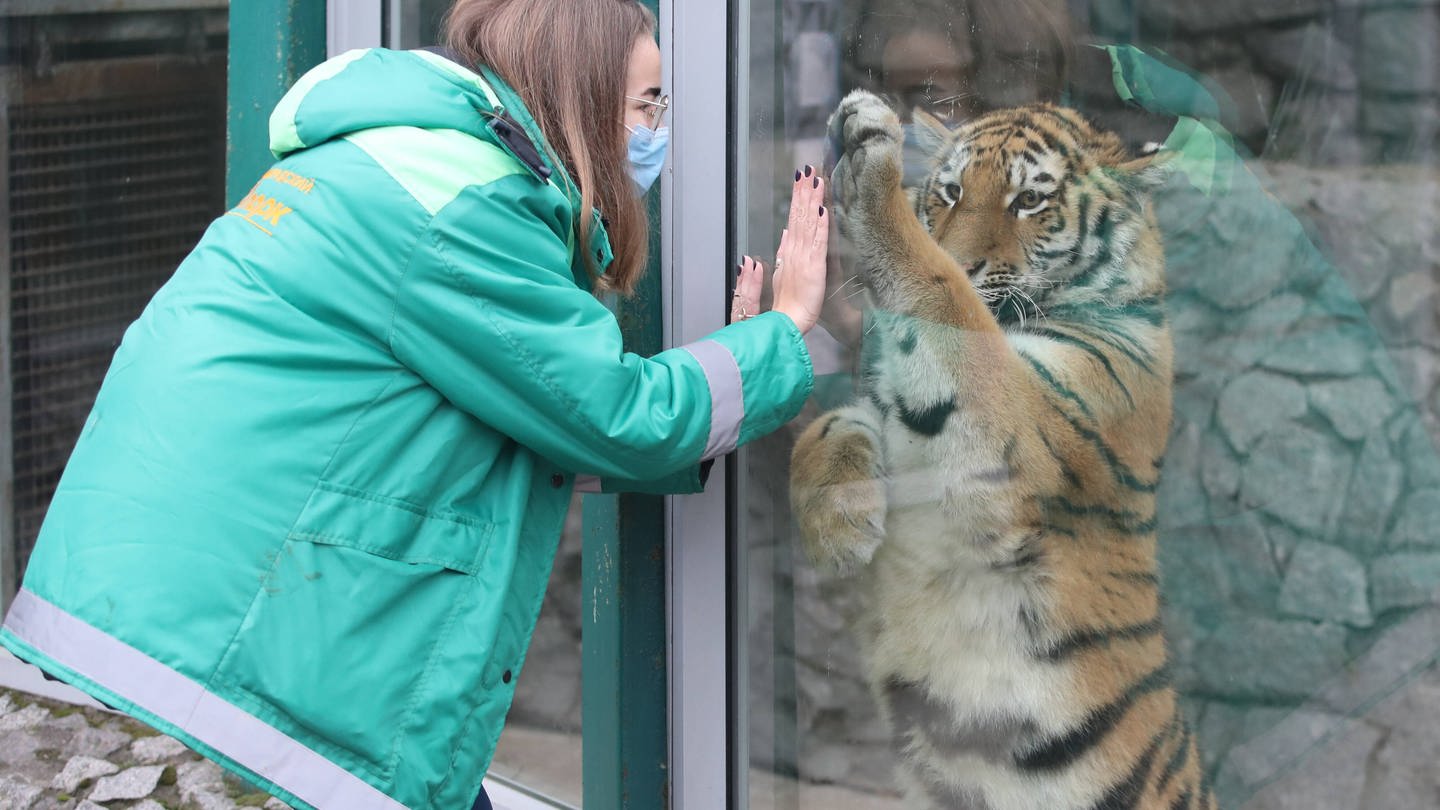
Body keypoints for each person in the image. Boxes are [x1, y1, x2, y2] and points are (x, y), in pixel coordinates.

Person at [0, 1, 828, 809]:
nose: (659, 128)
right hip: (188, 710)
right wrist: (783, 333)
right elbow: (615, 418)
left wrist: (720, 373)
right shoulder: (465, 206)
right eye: (648, 102)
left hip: (128, 656)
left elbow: (504, 427)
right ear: (579, 97)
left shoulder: (396, 161)